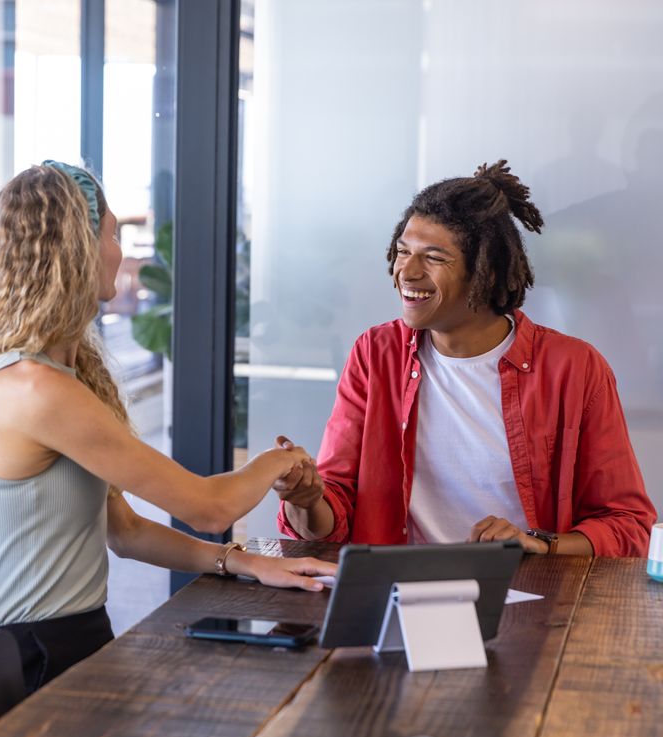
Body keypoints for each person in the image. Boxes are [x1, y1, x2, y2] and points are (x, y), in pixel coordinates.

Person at [0, 162, 335, 691]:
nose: (122, 253)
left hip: (67, 644)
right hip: (34, 661)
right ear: (76, 250)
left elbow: (125, 531)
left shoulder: (48, 378)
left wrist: (245, 562)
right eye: (113, 235)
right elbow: (209, 507)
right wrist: (281, 460)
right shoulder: (36, 390)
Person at [275, 160, 656, 557]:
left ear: (486, 273)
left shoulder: (573, 368)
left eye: (434, 258)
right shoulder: (376, 354)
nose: (407, 271)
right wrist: (305, 498)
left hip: (533, 603)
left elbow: (627, 525)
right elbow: (333, 514)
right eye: (403, 251)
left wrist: (535, 543)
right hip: (398, 597)